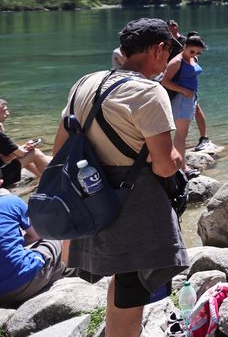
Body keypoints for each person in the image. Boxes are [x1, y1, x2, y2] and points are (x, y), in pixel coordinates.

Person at [52, 18, 187, 337]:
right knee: (132, 292)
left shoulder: (85, 83)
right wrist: (175, 157)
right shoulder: (149, 92)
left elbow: (60, 149)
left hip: (91, 199)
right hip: (134, 208)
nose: (168, 61)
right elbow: (165, 167)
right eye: (168, 52)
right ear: (158, 49)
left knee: (123, 282)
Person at [0, 190, 69, 307]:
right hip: (23, 281)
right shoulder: (10, 201)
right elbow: (37, 234)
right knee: (54, 234)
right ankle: (68, 270)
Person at [161, 33, 206, 162]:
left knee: (182, 134)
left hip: (190, 98)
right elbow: (165, 81)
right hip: (181, 99)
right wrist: (184, 90)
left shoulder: (192, 58)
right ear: (184, 46)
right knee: (181, 135)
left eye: (198, 52)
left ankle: (179, 164)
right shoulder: (176, 61)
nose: (194, 54)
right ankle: (181, 166)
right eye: (192, 51)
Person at [0, 99, 50, 186]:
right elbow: (21, 154)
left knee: (17, 150)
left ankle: (41, 178)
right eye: (4, 111)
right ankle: (54, 180)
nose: (8, 113)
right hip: (2, 178)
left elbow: (5, 156)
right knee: (35, 153)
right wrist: (27, 147)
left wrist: (23, 148)